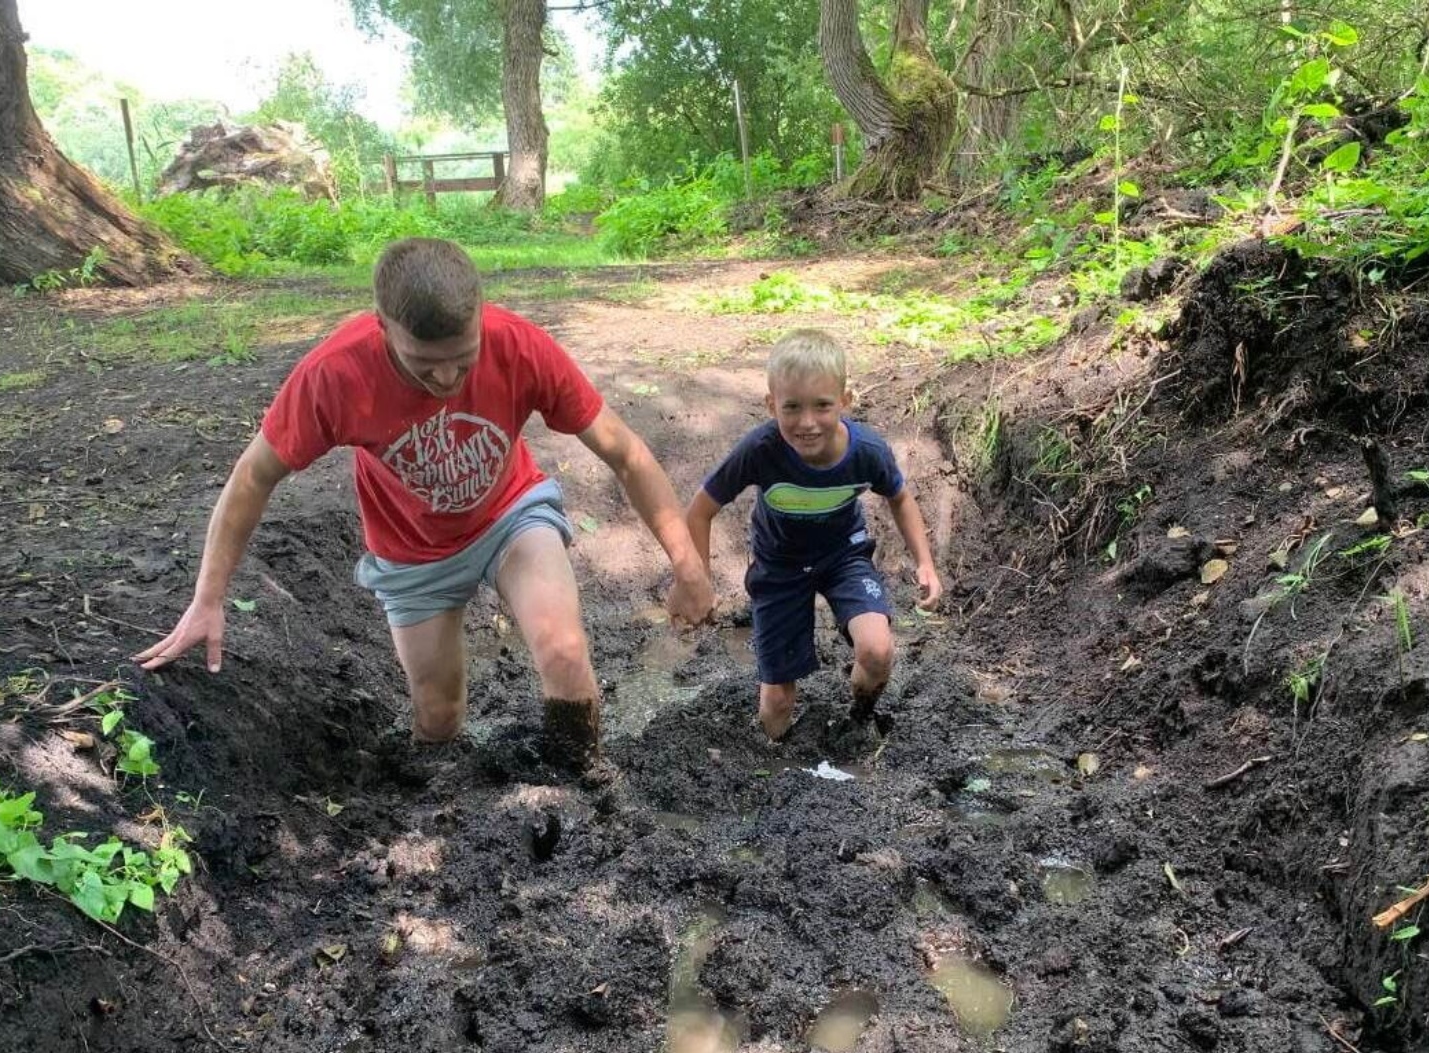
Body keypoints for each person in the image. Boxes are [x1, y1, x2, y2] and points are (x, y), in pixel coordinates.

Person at [135, 237, 714, 772]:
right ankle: (441, 803)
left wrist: (687, 566)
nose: (446, 377)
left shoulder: (519, 345)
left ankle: (583, 790)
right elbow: (251, 478)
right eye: (424, 363)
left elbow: (626, 454)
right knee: (438, 718)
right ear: (382, 326)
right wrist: (207, 600)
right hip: (411, 552)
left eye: (462, 358)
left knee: (563, 652)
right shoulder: (334, 375)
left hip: (511, 517)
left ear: (481, 316)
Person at [685, 328, 942, 740]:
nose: (807, 423)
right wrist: (698, 580)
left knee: (877, 651)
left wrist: (925, 563)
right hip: (779, 566)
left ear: (845, 400)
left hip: (844, 555)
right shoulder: (760, 450)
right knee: (777, 704)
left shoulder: (866, 452)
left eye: (822, 406)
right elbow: (699, 511)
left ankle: (858, 721)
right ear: (771, 405)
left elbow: (900, 498)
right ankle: (778, 763)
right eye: (792, 408)